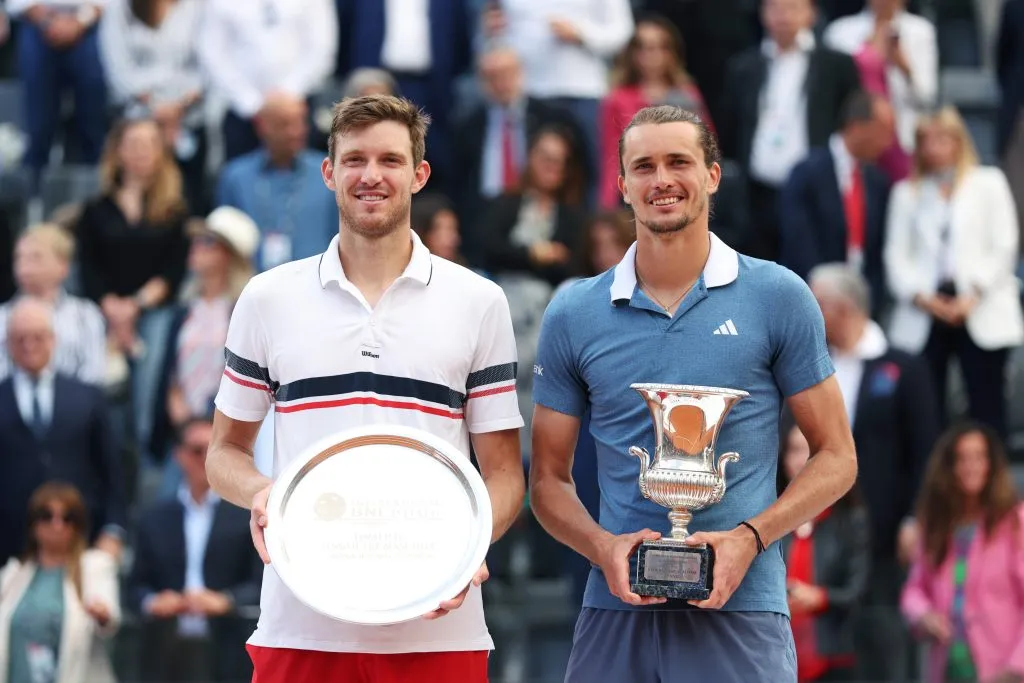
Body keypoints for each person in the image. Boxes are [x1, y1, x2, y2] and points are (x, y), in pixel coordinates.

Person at [528, 104, 858, 682]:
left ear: (712, 174)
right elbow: (548, 483)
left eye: (678, 162)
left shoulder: (778, 296)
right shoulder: (573, 312)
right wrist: (603, 548)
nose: (662, 181)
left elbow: (838, 458)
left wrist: (748, 540)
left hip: (743, 608)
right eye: (644, 166)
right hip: (615, 611)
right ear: (622, 185)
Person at [205, 94, 525, 683]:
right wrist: (262, 493)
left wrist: (468, 548)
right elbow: (223, 454)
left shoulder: (479, 301)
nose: (370, 176)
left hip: (438, 628)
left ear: (419, 174)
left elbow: (504, 474)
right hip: (298, 625)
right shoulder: (267, 297)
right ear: (328, 172)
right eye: (353, 160)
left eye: (390, 160)